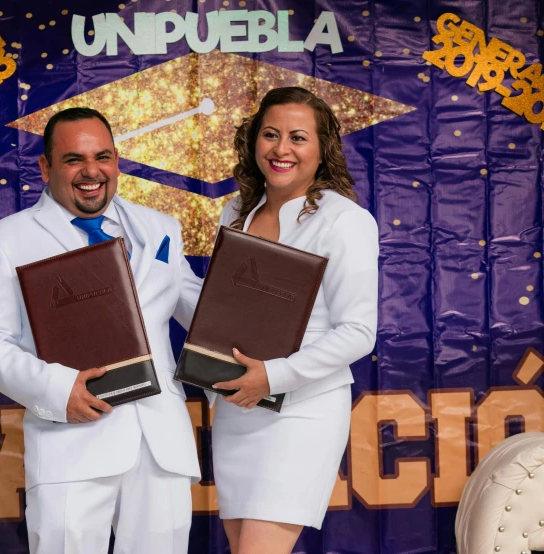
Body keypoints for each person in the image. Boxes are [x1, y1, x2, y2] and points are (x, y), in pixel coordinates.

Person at [0, 107, 203, 554]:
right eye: (74, 159)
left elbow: (199, 309)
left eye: (103, 157)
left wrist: (272, 312)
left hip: (160, 443)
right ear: (45, 167)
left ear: (116, 161)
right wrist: (60, 388)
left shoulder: (160, 228)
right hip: (71, 439)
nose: (91, 171)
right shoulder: (6, 240)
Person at [211, 87, 379, 553]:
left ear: (322, 148)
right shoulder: (236, 211)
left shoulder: (345, 220)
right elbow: (223, 308)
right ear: (253, 142)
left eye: (298, 137)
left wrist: (275, 376)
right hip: (238, 407)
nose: (281, 149)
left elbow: (359, 331)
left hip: (302, 411)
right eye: (270, 135)